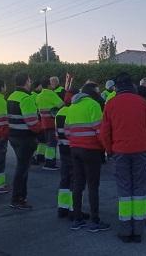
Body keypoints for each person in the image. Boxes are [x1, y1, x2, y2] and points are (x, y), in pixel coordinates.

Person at [100, 73, 146, 243]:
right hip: (141, 152)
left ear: (116, 87)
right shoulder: (142, 103)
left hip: (120, 152)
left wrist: (110, 150)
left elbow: (105, 132)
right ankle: (138, 231)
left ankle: (125, 230)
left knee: (124, 191)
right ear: (132, 85)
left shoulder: (110, 104)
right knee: (140, 190)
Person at [67, 83, 111, 232]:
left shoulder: (72, 106)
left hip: (75, 149)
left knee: (78, 184)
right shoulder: (93, 105)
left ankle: (77, 219)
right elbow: (100, 131)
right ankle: (94, 220)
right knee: (93, 186)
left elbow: (67, 130)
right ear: (93, 92)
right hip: (91, 150)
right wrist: (106, 148)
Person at [7, 73, 42, 209]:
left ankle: (19, 197)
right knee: (22, 169)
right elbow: (32, 122)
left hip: (14, 136)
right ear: (27, 82)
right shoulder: (26, 98)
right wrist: (40, 131)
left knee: (21, 167)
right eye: (29, 80)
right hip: (25, 138)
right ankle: (18, 198)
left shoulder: (11, 96)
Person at [55, 88, 84, 220]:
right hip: (74, 149)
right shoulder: (75, 111)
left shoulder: (60, 112)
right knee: (76, 180)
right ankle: (74, 209)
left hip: (62, 148)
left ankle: (62, 207)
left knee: (64, 179)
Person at [36, 77, 65, 170]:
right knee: (51, 144)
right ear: (49, 85)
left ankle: (42, 158)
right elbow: (61, 104)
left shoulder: (39, 96)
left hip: (43, 122)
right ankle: (49, 163)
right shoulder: (51, 94)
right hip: (52, 122)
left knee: (45, 141)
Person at [31, 80, 46, 165]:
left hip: (39, 119)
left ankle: (40, 156)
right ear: (38, 86)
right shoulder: (34, 96)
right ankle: (34, 157)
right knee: (36, 140)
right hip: (37, 120)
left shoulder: (34, 95)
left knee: (42, 139)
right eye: (41, 85)